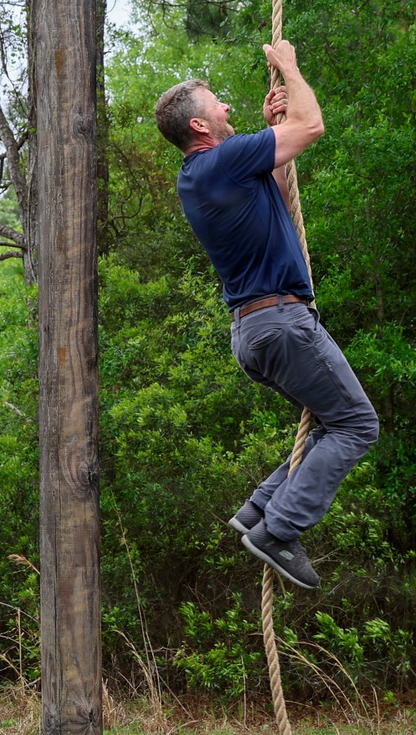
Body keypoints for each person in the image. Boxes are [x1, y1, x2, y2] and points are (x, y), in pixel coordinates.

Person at [153, 41, 379, 590]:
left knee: (332, 424)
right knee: (356, 424)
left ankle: (258, 511)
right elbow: (312, 125)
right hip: (280, 323)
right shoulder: (219, 162)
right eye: (219, 104)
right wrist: (290, 68)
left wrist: (268, 126)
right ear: (202, 127)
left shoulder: (207, 175)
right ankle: (277, 530)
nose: (229, 108)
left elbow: (275, 187)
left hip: (259, 329)